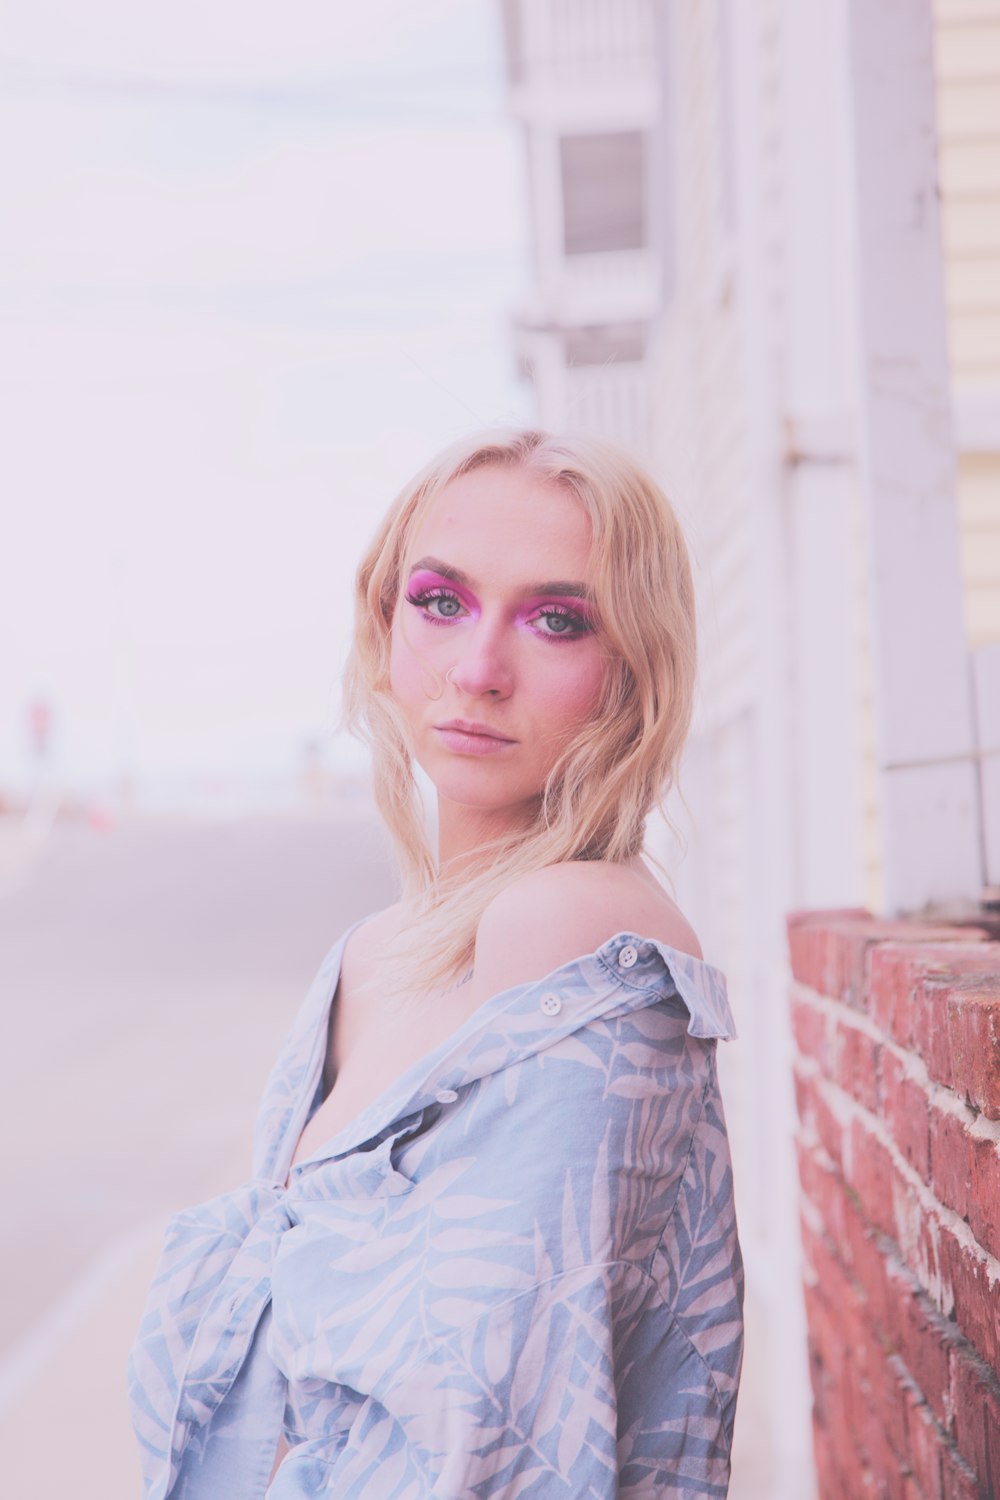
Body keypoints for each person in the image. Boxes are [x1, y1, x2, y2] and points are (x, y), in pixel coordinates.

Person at [128, 426, 744, 1498]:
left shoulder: (562, 933)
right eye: (440, 600)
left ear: (632, 671)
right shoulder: (369, 957)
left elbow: (489, 1444)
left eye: (557, 620)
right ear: (383, 622)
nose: (477, 669)